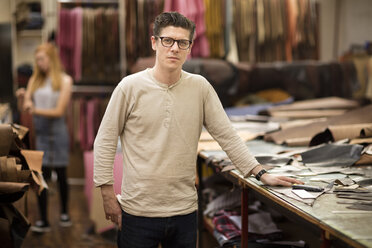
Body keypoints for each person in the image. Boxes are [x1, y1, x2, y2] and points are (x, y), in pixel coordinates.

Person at [94, 11, 303, 248]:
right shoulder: (129, 87)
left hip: (184, 212)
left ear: (190, 47)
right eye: (168, 40)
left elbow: (227, 135)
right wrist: (107, 195)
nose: (174, 48)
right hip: (138, 212)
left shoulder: (200, 87)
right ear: (154, 42)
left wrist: (261, 173)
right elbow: (105, 141)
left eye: (182, 42)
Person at [22, 43, 73, 232]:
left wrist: (34, 109)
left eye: (42, 59)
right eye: (37, 60)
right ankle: (44, 220)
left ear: (51, 58)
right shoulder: (34, 80)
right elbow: (27, 101)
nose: (39, 63)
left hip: (59, 134)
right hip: (41, 135)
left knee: (61, 175)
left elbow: (59, 111)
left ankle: (65, 213)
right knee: (41, 177)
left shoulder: (65, 81)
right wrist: (24, 100)